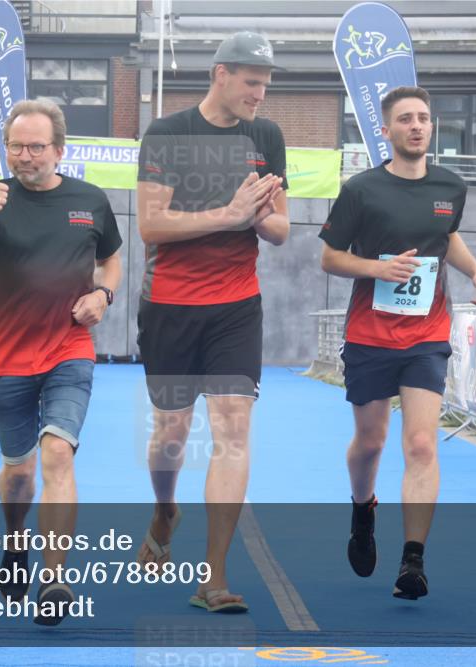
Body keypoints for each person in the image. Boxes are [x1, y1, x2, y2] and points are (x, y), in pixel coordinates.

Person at [0, 99, 123, 625]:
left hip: (69, 347)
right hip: (10, 356)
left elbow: (111, 256)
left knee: (58, 453)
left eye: (36, 147)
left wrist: (103, 295)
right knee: (19, 471)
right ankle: (16, 542)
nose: (25, 156)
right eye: (16, 146)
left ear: (59, 151)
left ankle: (54, 578)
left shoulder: (89, 200)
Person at [319, 86, 476, 600]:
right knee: (371, 442)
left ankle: (412, 562)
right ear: (387, 130)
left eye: (423, 118)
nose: (416, 126)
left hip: (426, 333)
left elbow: (448, 236)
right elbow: (330, 258)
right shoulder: (362, 190)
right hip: (370, 334)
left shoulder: (451, 186)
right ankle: (362, 508)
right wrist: (378, 268)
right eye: (405, 119)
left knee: (420, 443)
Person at [134, 31, 289, 614]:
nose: (260, 94)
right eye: (252, 83)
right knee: (171, 434)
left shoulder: (266, 136)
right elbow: (152, 225)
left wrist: (259, 215)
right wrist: (230, 212)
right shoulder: (168, 133)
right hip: (171, 306)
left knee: (232, 428)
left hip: (236, 307)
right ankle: (165, 509)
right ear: (221, 74)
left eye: (267, 85)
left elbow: (280, 230)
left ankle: (214, 578)